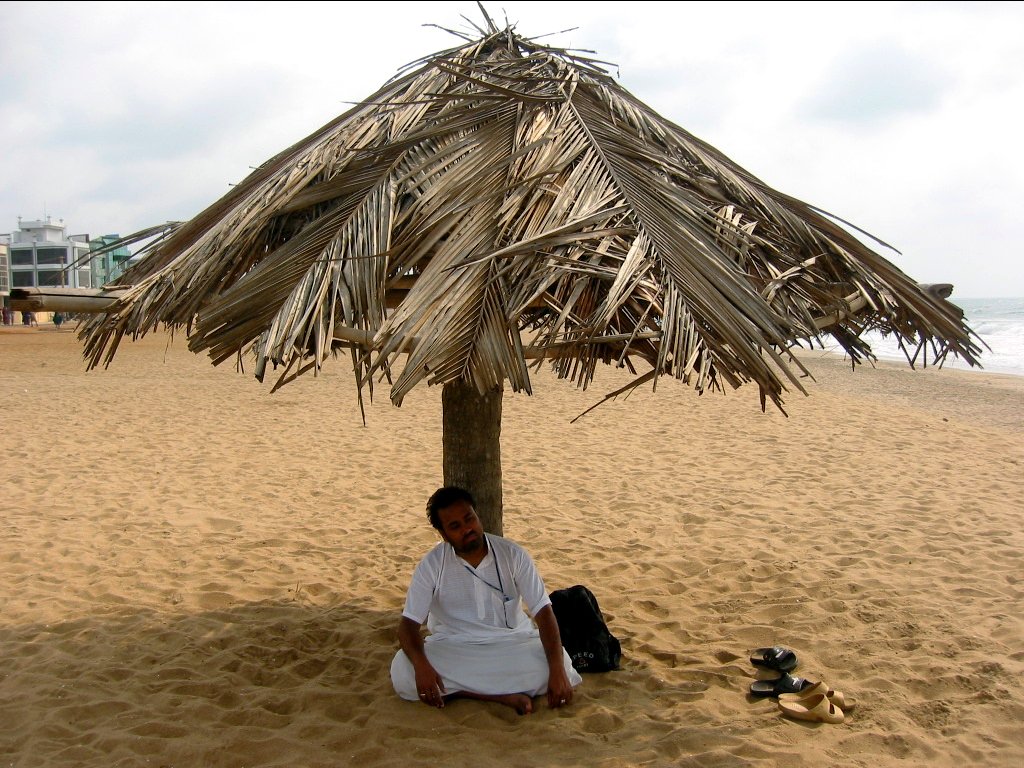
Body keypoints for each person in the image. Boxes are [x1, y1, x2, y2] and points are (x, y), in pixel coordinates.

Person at [390, 486, 582, 714]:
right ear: (443, 534)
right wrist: (422, 667)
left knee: (562, 665)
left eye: (469, 518)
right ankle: (502, 697)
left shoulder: (513, 554)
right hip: (455, 646)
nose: (467, 528)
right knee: (403, 670)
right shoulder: (432, 565)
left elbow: (544, 612)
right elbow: (407, 627)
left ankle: (464, 691)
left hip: (512, 644)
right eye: (455, 526)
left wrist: (556, 669)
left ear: (477, 515)